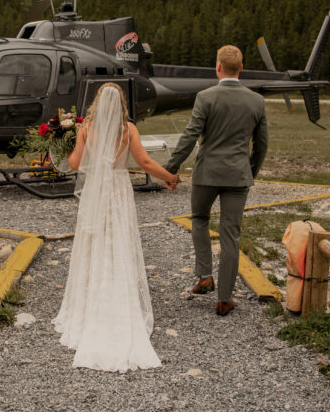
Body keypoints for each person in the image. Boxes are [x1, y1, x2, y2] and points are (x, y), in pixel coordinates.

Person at [52, 83, 178, 372]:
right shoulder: (128, 129)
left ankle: (90, 298)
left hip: (96, 190)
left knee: (93, 241)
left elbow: (73, 163)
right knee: (119, 239)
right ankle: (120, 295)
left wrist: (61, 146)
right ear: (121, 103)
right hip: (119, 188)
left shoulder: (86, 129)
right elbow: (144, 162)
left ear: (97, 102)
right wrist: (168, 177)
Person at [164, 45, 268, 317]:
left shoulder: (205, 97)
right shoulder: (256, 101)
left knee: (199, 219)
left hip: (207, 174)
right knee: (230, 233)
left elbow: (190, 135)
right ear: (241, 68)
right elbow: (262, 145)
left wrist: (171, 168)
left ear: (218, 67)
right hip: (238, 175)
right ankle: (224, 299)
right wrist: (249, 171)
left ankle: (204, 275)